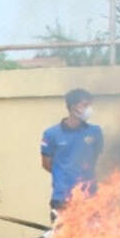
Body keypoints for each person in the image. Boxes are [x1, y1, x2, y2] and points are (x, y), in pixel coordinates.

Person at [40, 87, 103, 220]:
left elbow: (96, 157)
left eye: (90, 105)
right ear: (73, 107)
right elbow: (46, 164)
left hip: (89, 197)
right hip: (62, 198)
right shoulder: (51, 134)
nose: (89, 109)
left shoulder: (95, 132)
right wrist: (64, 173)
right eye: (85, 105)